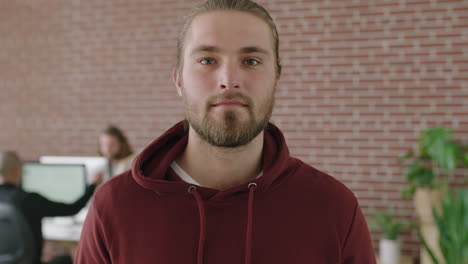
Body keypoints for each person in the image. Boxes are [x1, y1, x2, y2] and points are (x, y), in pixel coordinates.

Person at [76, 0, 376, 263]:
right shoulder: (114, 208)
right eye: (207, 60)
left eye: (251, 61)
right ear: (178, 80)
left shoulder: (334, 208)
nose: (229, 80)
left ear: (277, 78)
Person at [0, 150, 103, 264]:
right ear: (17, 170)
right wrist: (93, 185)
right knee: (68, 258)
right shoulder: (30, 200)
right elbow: (72, 208)